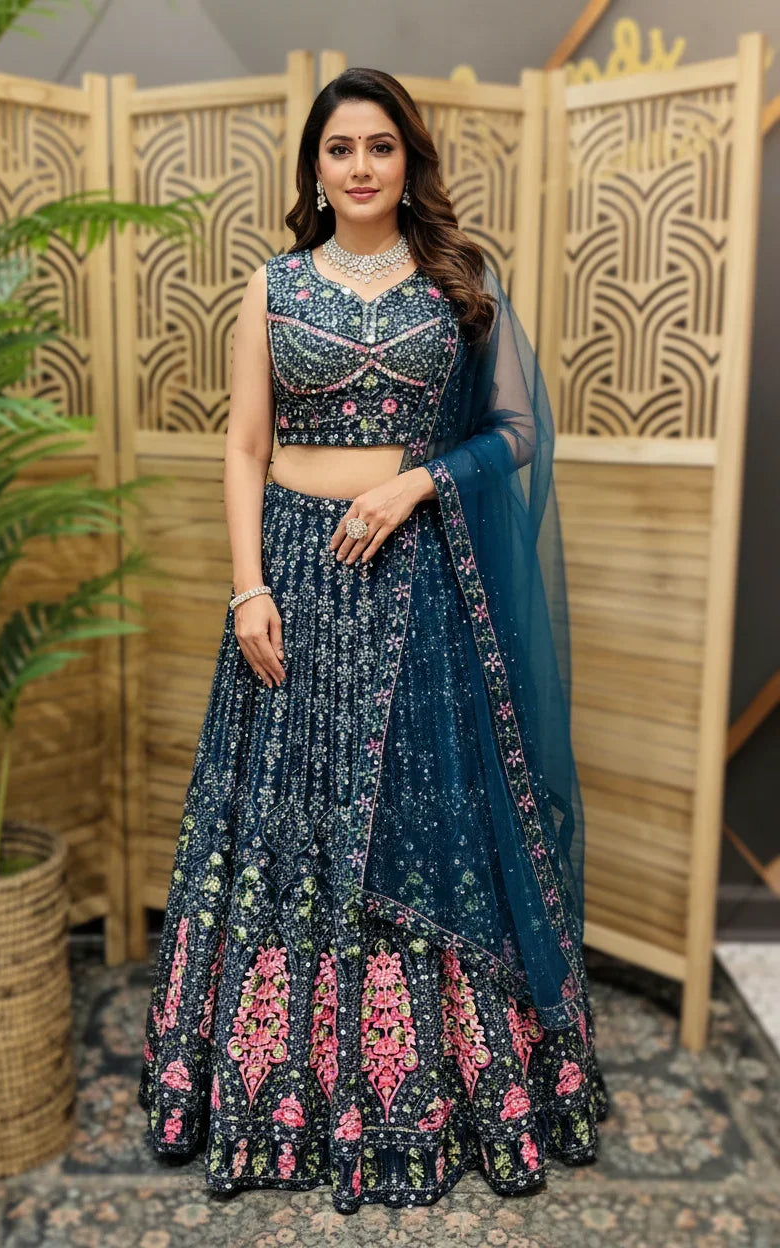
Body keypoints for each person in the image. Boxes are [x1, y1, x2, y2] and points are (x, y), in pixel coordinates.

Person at [138, 66, 610, 1214]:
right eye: (340, 148)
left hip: (417, 584)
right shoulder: (272, 287)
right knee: (291, 820)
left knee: (416, 816)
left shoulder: (459, 282)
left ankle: (434, 1092)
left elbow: (515, 433)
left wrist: (417, 486)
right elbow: (244, 447)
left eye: (381, 147)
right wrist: (248, 590)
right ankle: (275, 1089)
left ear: (410, 162)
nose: (359, 166)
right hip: (294, 581)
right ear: (314, 167)